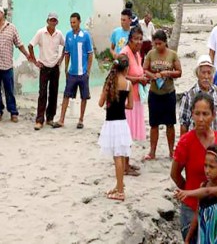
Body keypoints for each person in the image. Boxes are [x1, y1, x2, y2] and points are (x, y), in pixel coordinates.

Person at [171, 93, 217, 244]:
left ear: (213, 115)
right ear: (191, 114)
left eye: (205, 114)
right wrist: (189, 191)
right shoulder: (186, 142)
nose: (200, 119)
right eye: (197, 113)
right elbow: (175, 174)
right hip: (191, 208)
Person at [175, 144, 217, 244]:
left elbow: (208, 191)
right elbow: (197, 214)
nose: (207, 170)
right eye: (205, 165)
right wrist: (188, 239)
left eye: (211, 167)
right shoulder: (203, 185)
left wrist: (187, 193)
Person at [98, 54, 133, 202]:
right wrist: (121, 104)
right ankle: (119, 184)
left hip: (110, 123)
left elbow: (101, 103)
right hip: (122, 123)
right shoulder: (128, 84)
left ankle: (120, 191)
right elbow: (130, 106)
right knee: (119, 155)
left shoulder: (110, 81)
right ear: (126, 69)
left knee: (117, 157)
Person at [143, 30, 182, 160]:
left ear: (165, 42)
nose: (157, 46)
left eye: (160, 44)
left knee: (170, 124)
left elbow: (179, 72)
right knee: (154, 124)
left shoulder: (173, 55)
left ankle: (171, 151)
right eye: (155, 44)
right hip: (154, 93)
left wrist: (168, 73)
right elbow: (144, 69)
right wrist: (152, 76)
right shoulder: (150, 54)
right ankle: (152, 151)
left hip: (169, 93)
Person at [54, 12, 93, 129]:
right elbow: (67, 53)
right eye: (71, 22)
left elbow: (90, 54)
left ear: (79, 22)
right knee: (66, 95)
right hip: (72, 72)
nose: (72, 25)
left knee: (84, 97)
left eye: (74, 22)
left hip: (83, 73)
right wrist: (66, 68)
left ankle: (81, 119)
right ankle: (61, 119)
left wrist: (88, 71)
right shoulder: (68, 35)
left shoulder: (86, 36)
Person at [28, 12, 65, 130]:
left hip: (54, 67)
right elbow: (30, 45)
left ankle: (50, 118)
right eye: (51, 20)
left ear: (57, 22)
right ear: (47, 21)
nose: (52, 22)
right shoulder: (40, 32)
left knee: (53, 93)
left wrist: (61, 58)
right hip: (43, 66)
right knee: (42, 93)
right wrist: (34, 61)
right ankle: (39, 120)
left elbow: (66, 46)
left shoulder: (59, 34)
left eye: (54, 20)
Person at [120, 26, 148, 175]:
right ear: (130, 39)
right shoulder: (124, 54)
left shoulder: (137, 54)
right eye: (135, 39)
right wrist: (138, 79)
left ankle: (127, 163)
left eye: (140, 39)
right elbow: (120, 75)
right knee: (125, 133)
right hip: (126, 100)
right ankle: (124, 167)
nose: (138, 42)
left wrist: (143, 78)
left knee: (130, 134)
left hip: (136, 97)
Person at [179, 55, 217, 135]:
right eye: (203, 73)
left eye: (209, 73)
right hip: (195, 141)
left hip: (213, 141)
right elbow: (184, 124)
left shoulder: (216, 91)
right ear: (197, 74)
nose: (206, 77)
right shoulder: (189, 95)